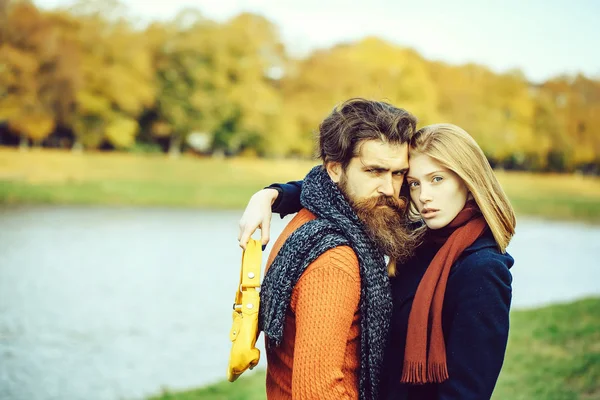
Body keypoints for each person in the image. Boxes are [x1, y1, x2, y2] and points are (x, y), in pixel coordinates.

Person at [238, 123, 516, 400]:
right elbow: (347, 189)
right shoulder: (416, 239)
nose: (424, 196)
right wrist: (272, 196)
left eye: (437, 179)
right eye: (414, 183)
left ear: (468, 181)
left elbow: (467, 393)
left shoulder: (483, 270)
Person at [256, 98, 419, 400]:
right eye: (374, 171)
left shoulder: (311, 218)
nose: (389, 188)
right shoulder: (335, 259)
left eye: (398, 174)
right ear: (334, 168)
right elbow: (317, 392)